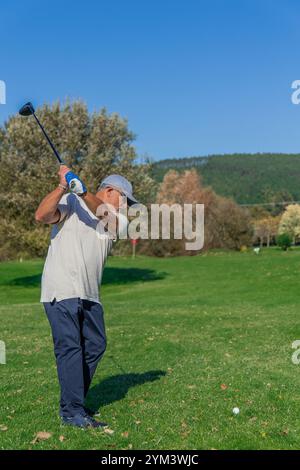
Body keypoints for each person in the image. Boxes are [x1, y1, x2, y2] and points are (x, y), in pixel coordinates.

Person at [35, 165, 137, 428]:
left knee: (95, 345)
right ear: (111, 191)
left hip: (90, 293)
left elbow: (104, 214)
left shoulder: (118, 220)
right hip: (61, 287)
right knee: (70, 347)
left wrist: (83, 191)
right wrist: (63, 188)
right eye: (125, 199)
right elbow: (42, 215)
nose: (127, 206)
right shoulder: (70, 201)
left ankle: (74, 401)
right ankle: (72, 411)